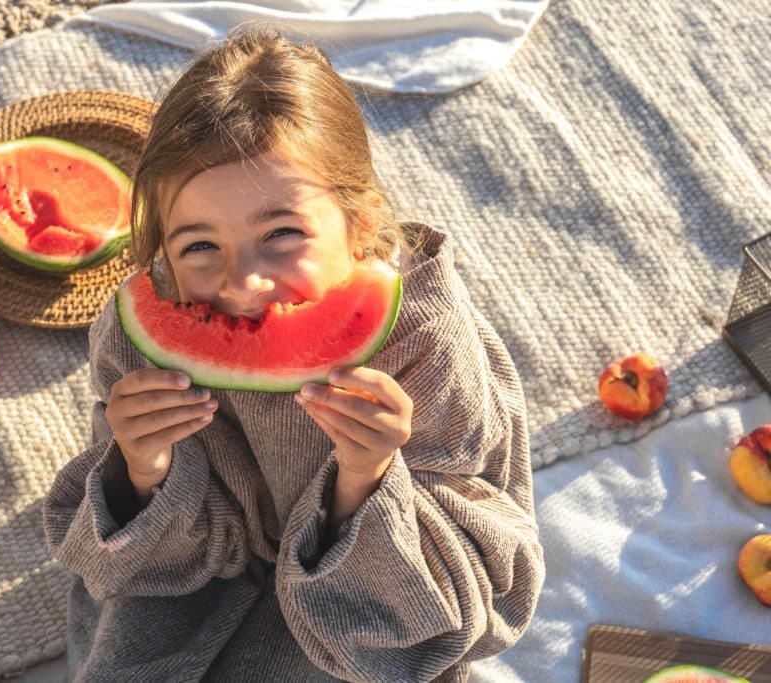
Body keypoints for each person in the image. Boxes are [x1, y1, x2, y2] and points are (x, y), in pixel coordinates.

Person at [43, 25, 544, 683]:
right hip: (198, 567)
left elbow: (461, 553)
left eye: (280, 235)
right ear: (162, 250)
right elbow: (135, 555)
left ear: (361, 225)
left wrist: (366, 475)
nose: (243, 284)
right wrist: (141, 468)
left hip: (375, 580)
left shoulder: (425, 341)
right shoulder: (138, 335)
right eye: (198, 246)